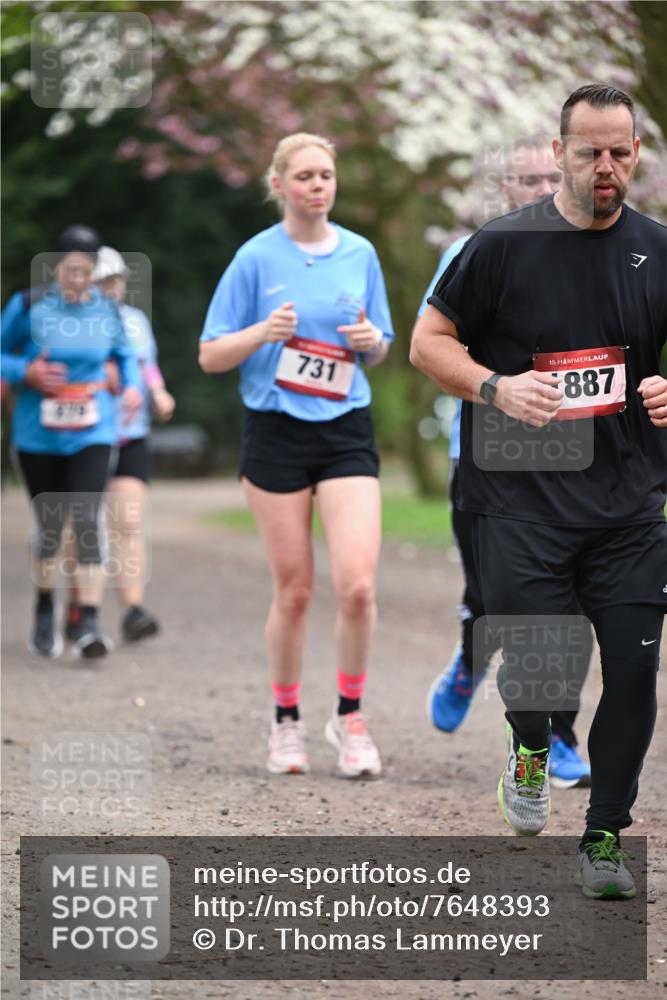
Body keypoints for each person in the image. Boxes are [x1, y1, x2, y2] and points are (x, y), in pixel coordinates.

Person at [410, 85, 666, 899]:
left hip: (627, 504)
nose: (605, 166)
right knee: (545, 679)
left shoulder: (657, 249)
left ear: (636, 154)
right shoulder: (499, 246)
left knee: (631, 673)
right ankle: (527, 747)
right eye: (589, 150)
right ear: (557, 153)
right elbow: (427, 342)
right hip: (520, 502)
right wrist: (495, 389)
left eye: (619, 151)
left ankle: (602, 836)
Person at [199, 132, 393, 778]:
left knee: (358, 586)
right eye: (305, 175)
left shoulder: (360, 253)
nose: (318, 185)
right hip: (275, 431)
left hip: (345, 429)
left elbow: (382, 343)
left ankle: (350, 715)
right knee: (295, 590)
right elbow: (210, 354)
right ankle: (285, 722)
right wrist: (263, 332)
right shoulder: (254, 259)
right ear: (278, 184)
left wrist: (371, 340)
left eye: (327, 175)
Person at [419, 138, 593, 789]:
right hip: (486, 462)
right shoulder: (469, 255)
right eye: (526, 178)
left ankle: (560, 731)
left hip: (573, 464)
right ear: (504, 189)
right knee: (495, 601)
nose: (541, 187)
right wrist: (499, 389)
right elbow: (433, 351)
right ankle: (470, 659)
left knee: (568, 601)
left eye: (551, 175)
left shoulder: (596, 255)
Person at [1, 225, 142, 658]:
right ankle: (45, 607)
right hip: (37, 434)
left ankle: (89, 622)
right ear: (56, 267)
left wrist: (133, 386)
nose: (79, 279)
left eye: (86, 271)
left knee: (85, 519)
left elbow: (124, 356)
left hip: (93, 430)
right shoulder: (28, 305)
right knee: (50, 526)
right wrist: (26, 371)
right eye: (71, 270)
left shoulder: (108, 311)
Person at [64, 246, 175, 643]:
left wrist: (158, 393)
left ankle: (132, 609)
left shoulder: (135, 322)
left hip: (130, 434)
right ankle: (80, 606)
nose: (113, 289)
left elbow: (147, 366)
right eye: (104, 282)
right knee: (85, 526)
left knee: (127, 522)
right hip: (87, 436)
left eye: (116, 281)